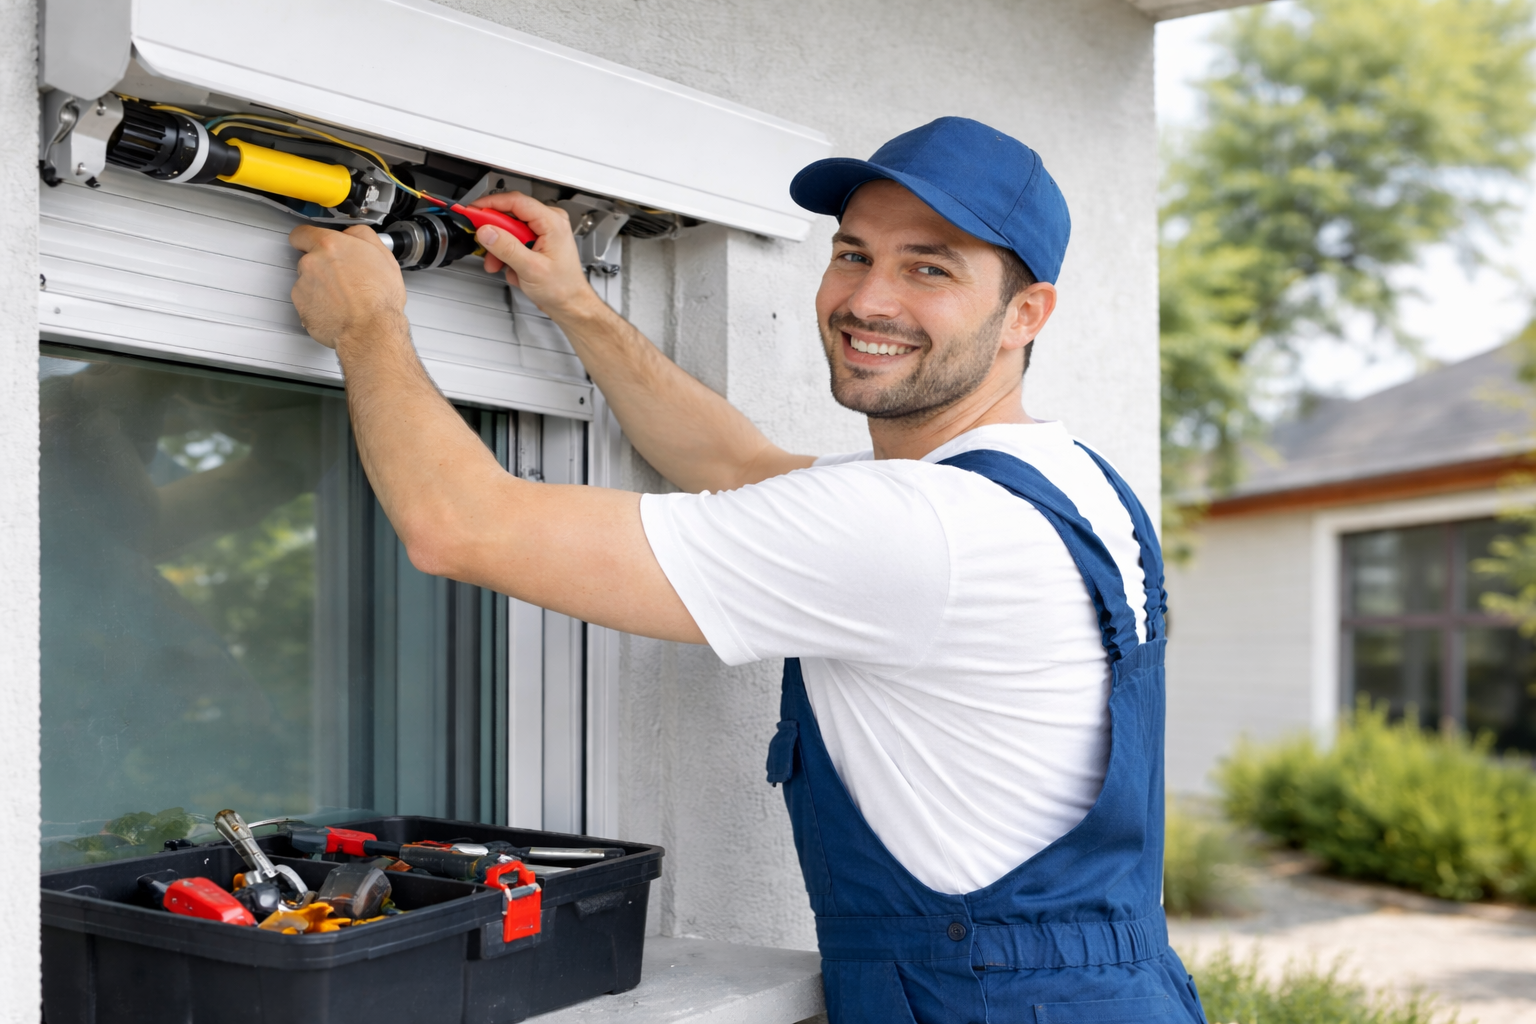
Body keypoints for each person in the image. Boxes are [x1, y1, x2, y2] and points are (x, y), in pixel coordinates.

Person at [287, 116, 1207, 1024]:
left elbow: (461, 527)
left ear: (1026, 314)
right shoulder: (1058, 476)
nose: (870, 299)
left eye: (930, 267)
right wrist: (573, 301)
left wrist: (367, 321)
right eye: (854, 254)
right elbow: (734, 464)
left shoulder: (924, 526)